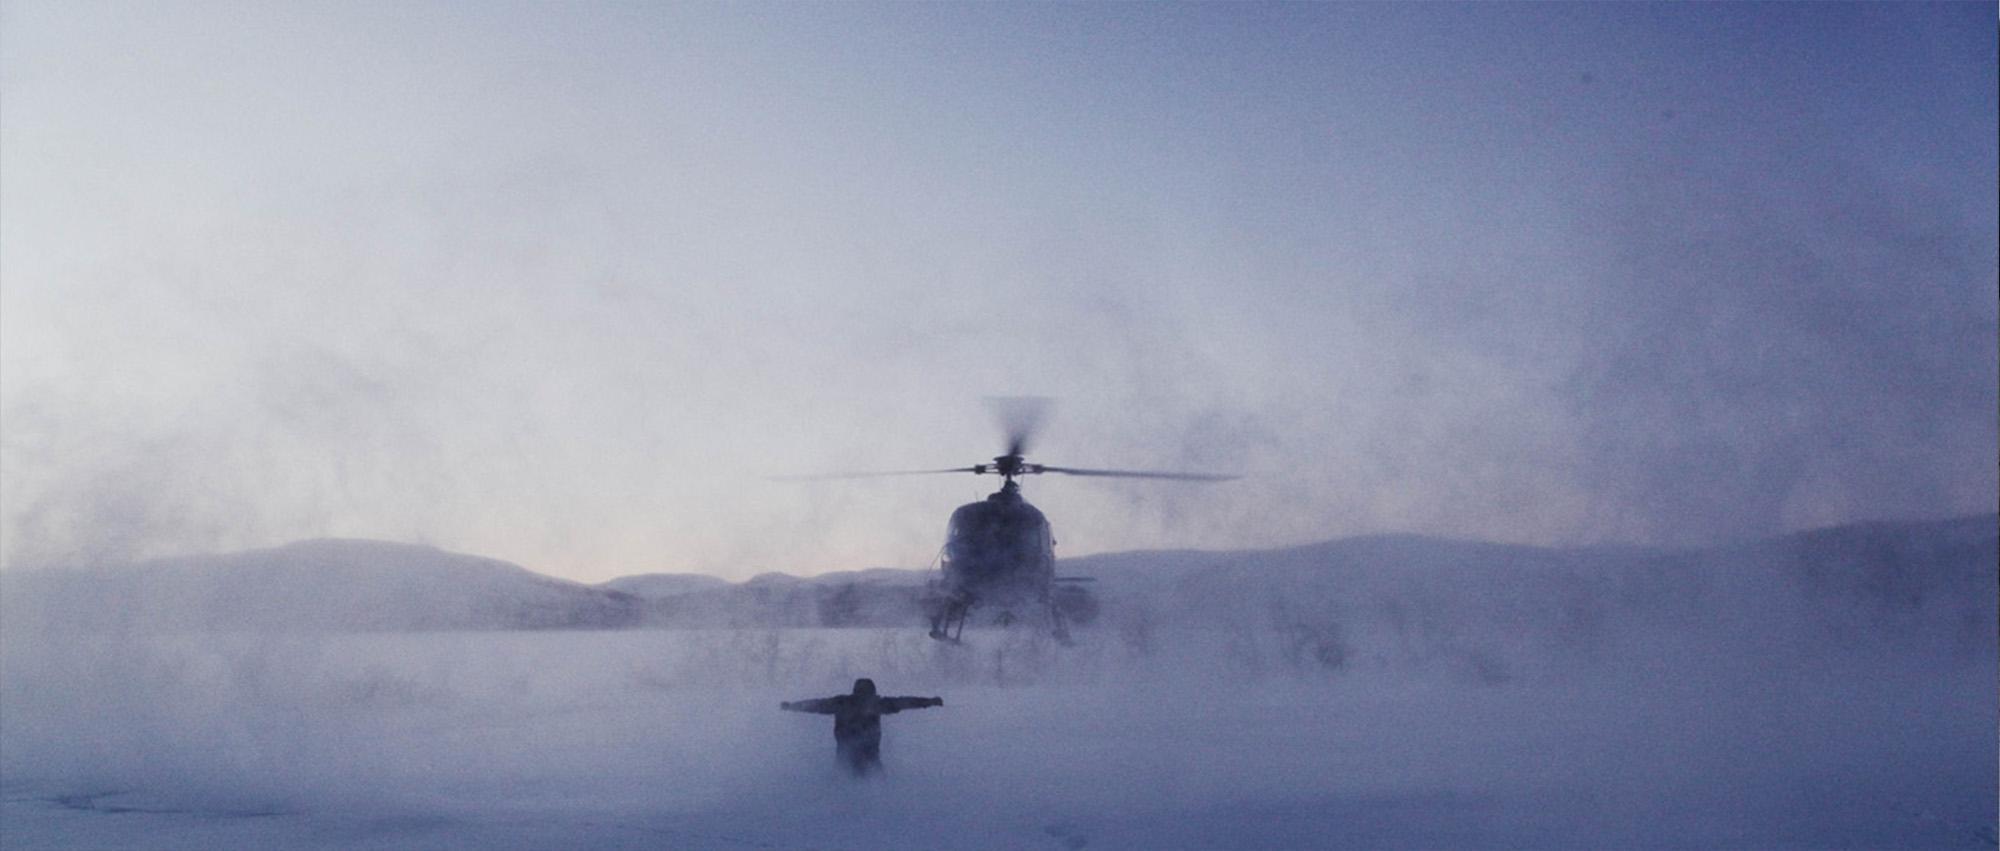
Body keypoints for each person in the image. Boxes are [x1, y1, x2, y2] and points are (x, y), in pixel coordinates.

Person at [781, 678, 943, 775]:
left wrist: (792, 706)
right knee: (872, 786)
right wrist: (929, 702)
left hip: (849, 758)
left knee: (846, 785)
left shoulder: (842, 703)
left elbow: (815, 705)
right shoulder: (876, 704)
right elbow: (906, 702)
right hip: (865, 757)